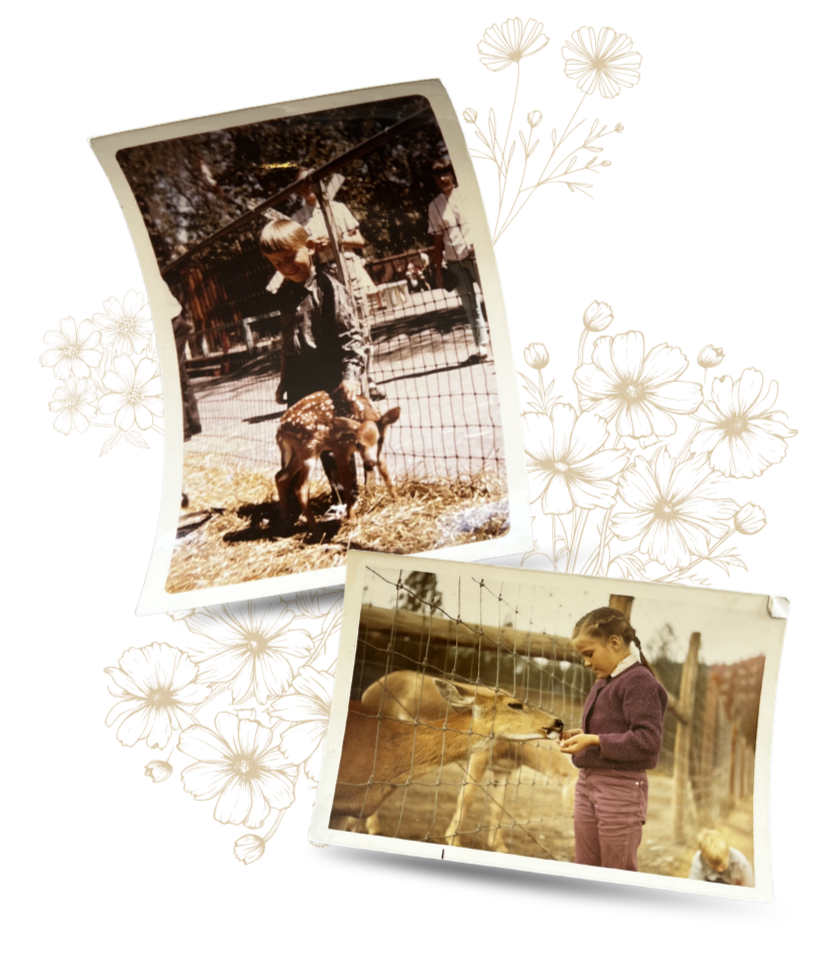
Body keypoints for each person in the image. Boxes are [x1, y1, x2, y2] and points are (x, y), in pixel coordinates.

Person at [260, 217, 368, 521]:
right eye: (276, 263)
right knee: (300, 438)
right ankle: (293, 502)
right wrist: (284, 379)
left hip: (329, 375)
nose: (285, 267)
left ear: (309, 247)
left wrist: (350, 376)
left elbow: (352, 337)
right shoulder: (286, 293)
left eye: (289, 257)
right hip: (299, 377)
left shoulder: (328, 288)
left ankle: (345, 498)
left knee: (333, 442)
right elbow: (287, 342)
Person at [560, 607, 668, 872]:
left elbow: (648, 740)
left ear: (615, 643)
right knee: (585, 864)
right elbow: (612, 728)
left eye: (589, 653)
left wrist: (595, 740)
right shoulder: (604, 681)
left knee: (616, 870)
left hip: (620, 788)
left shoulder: (639, 681)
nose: (586, 662)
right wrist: (583, 735)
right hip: (586, 784)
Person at [268, 169, 384, 400]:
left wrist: (334, 240)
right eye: (301, 184)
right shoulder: (297, 218)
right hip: (321, 275)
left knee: (360, 327)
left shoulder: (337, 208)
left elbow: (359, 240)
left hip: (348, 270)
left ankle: (367, 379)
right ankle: (335, 383)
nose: (308, 187)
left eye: (311, 182)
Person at [428, 157, 490, 365]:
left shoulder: (469, 193)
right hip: (454, 262)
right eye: (438, 176)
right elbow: (438, 241)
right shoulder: (434, 206)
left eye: (445, 174)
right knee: (470, 306)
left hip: (476, 256)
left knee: (493, 298)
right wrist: (438, 269)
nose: (442, 179)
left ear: (452, 174)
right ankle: (482, 347)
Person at [688, 830, 755, 886]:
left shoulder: (740, 862)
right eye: (714, 867)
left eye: (723, 866)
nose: (719, 870)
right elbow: (693, 885)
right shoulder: (699, 860)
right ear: (705, 859)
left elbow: (750, 886)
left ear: (728, 853)